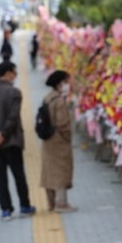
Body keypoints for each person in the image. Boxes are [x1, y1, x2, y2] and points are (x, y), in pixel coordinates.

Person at [0, 61, 35, 220]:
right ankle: (24, 206)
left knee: (0, 177)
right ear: (8, 73)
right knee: (19, 175)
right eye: (15, 72)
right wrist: (2, 134)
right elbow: (13, 117)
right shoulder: (15, 93)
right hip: (12, 141)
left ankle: (5, 210)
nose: (16, 75)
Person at [40, 70, 77, 213]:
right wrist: (68, 137)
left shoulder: (48, 97)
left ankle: (51, 202)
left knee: (49, 170)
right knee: (61, 170)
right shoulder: (59, 101)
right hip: (59, 140)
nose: (68, 85)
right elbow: (63, 123)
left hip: (48, 140)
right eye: (67, 82)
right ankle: (61, 203)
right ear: (60, 83)